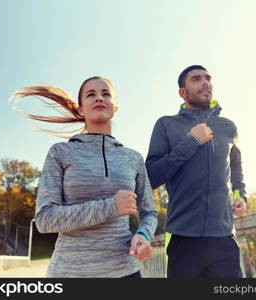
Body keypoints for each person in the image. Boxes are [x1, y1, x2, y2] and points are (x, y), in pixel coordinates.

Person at [11, 76, 158, 278]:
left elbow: (149, 212)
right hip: (70, 273)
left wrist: (143, 234)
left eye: (106, 94)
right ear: (81, 109)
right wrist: (110, 207)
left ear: (116, 107)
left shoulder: (133, 158)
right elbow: (45, 219)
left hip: (126, 273)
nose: (99, 98)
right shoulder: (61, 152)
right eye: (91, 94)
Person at [145, 65, 246, 278]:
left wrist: (240, 195)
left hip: (224, 237)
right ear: (183, 92)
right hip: (183, 237)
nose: (205, 82)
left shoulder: (228, 126)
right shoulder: (166, 125)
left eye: (208, 78)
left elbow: (235, 163)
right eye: (196, 78)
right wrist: (191, 141)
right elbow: (151, 177)